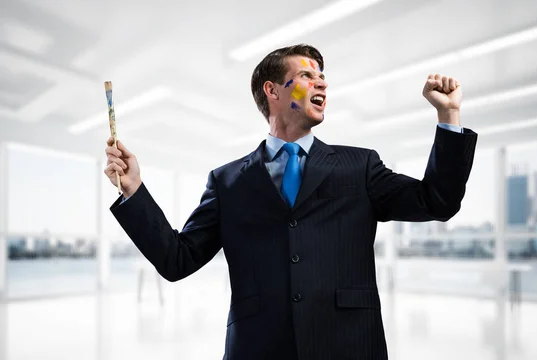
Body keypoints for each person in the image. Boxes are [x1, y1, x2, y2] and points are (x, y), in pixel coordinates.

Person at [104, 44, 477, 360]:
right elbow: (177, 259)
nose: (322, 83)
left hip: (348, 345)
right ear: (273, 91)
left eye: (323, 77)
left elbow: (437, 201)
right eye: (307, 76)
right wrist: (134, 189)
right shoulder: (228, 180)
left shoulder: (359, 166)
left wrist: (449, 116)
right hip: (258, 347)